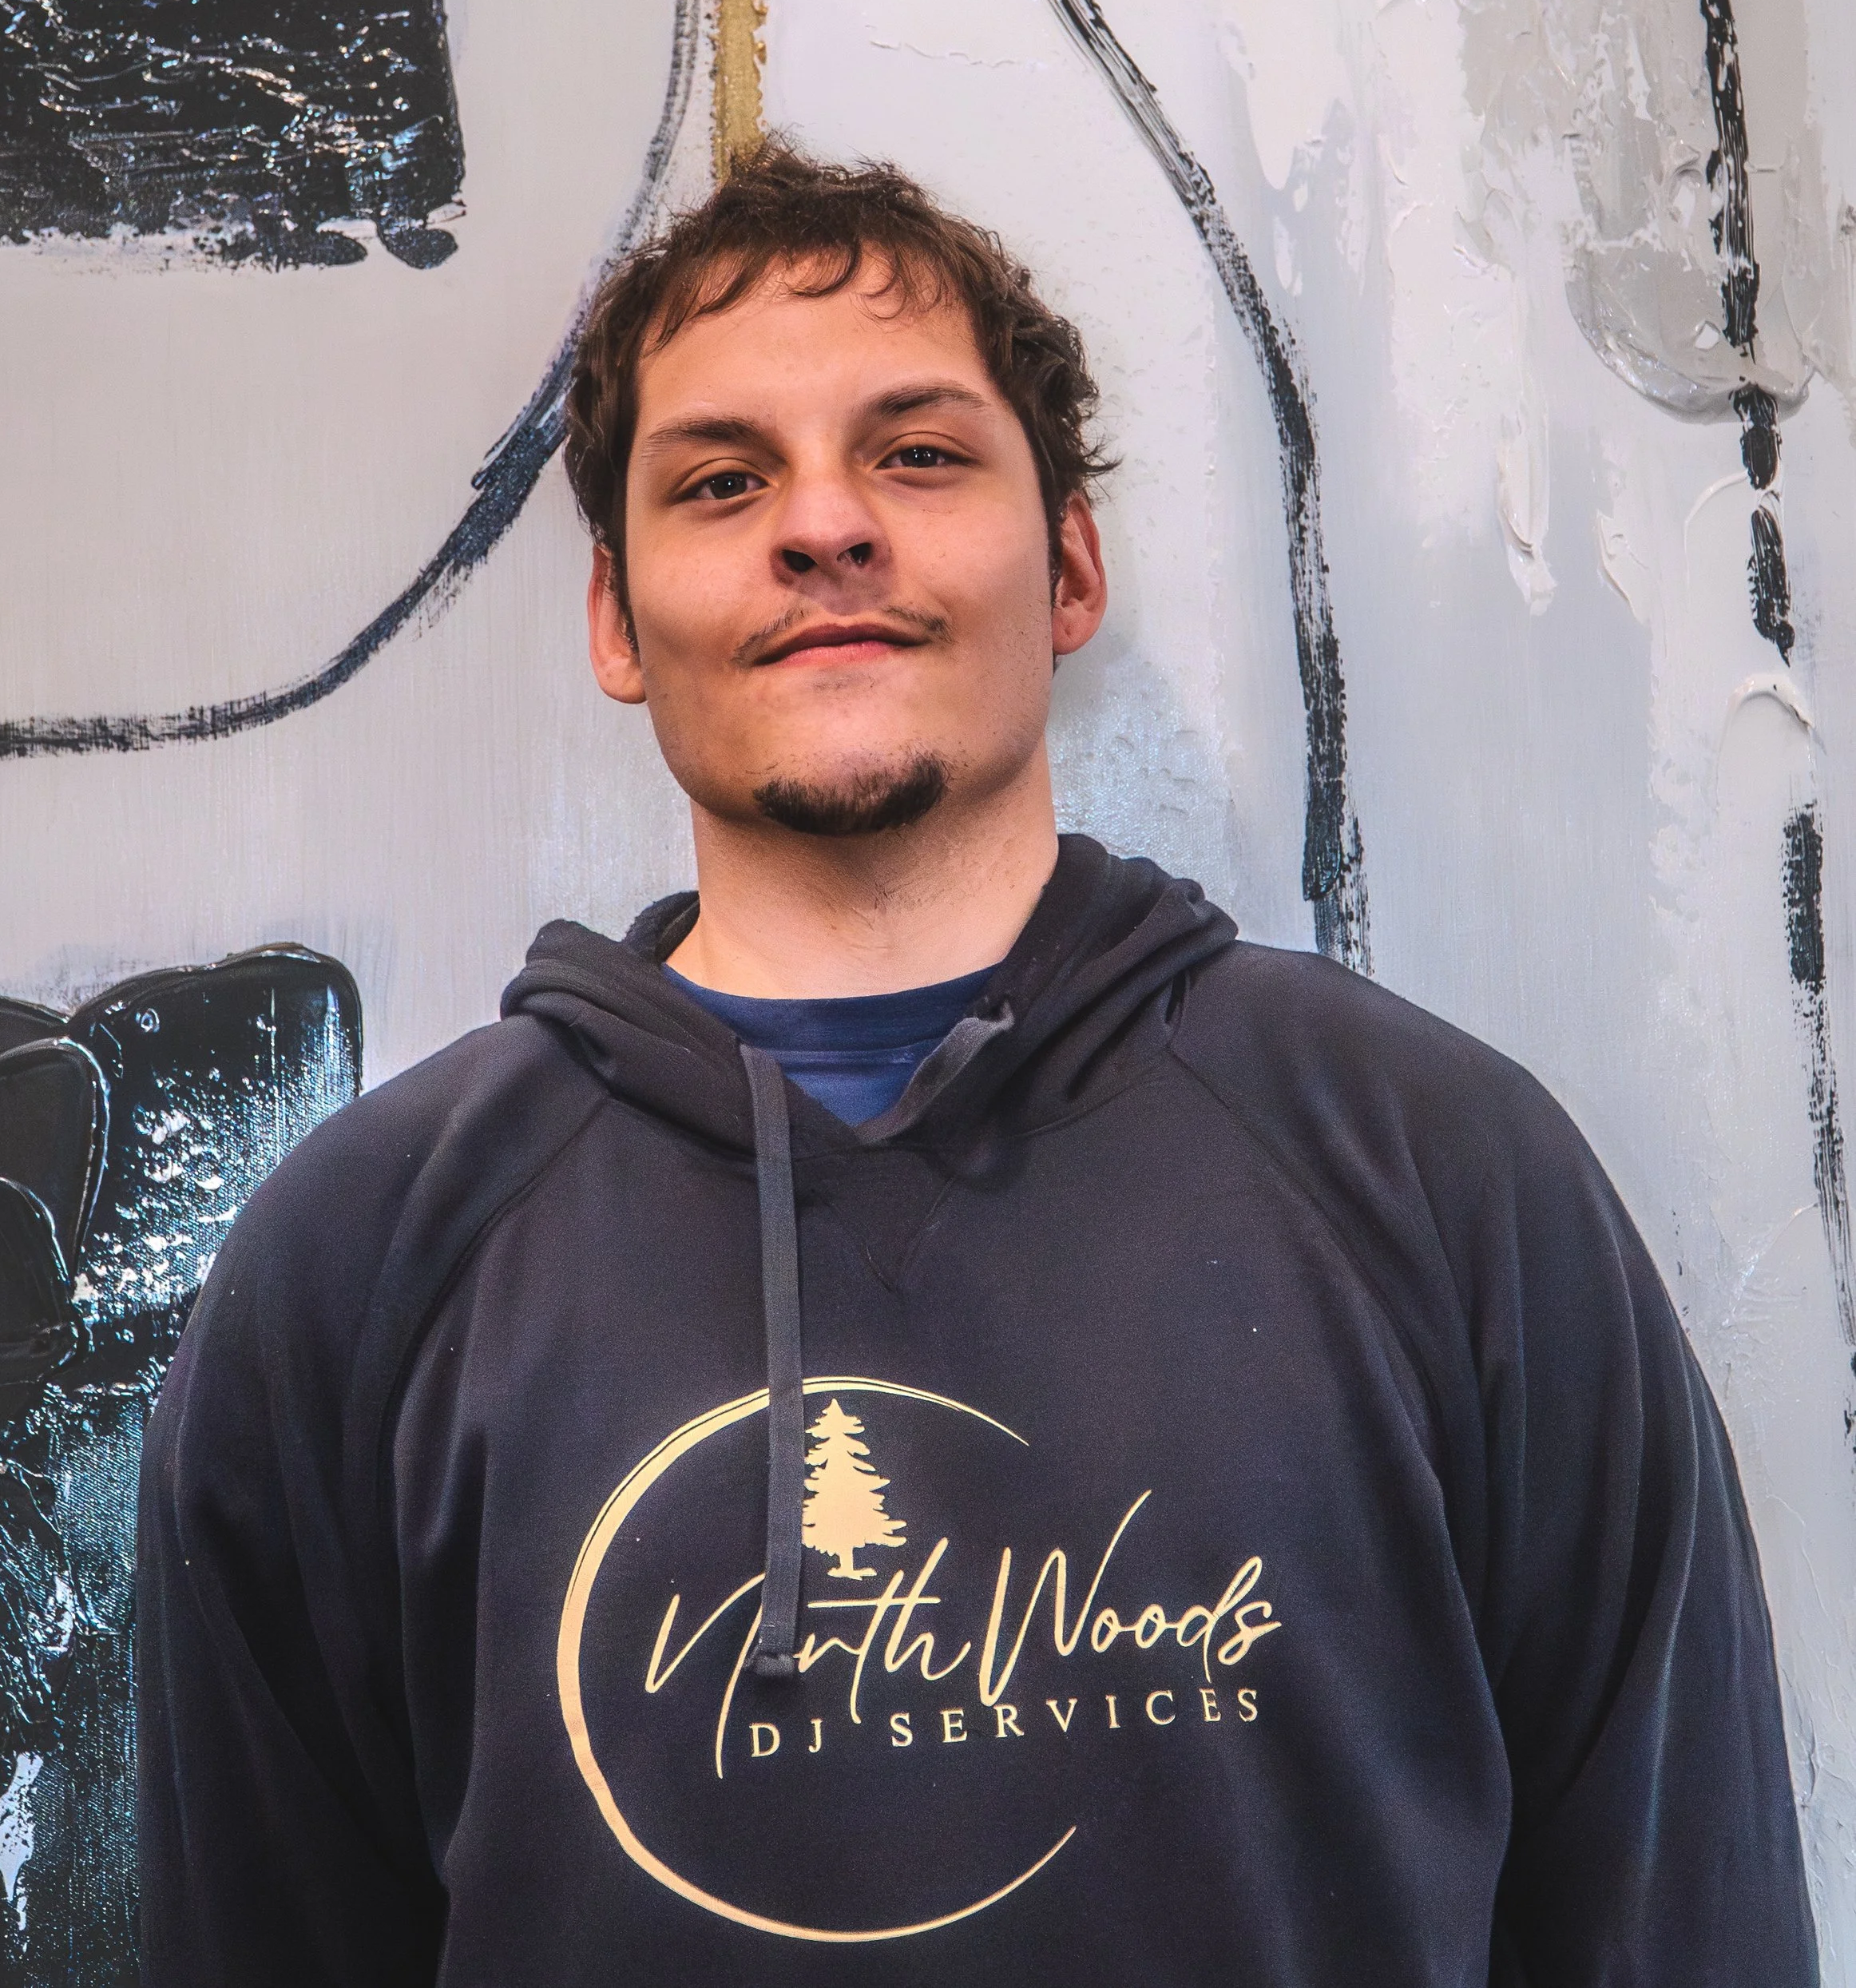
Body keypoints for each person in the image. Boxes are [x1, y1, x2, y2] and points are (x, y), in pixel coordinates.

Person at [136, 144, 1818, 1986]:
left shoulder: (1438, 1168)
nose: (825, 527)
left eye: (917, 454)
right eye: (721, 480)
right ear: (616, 620)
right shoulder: (358, 1264)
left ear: (1069, 562)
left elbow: (1674, 1920)